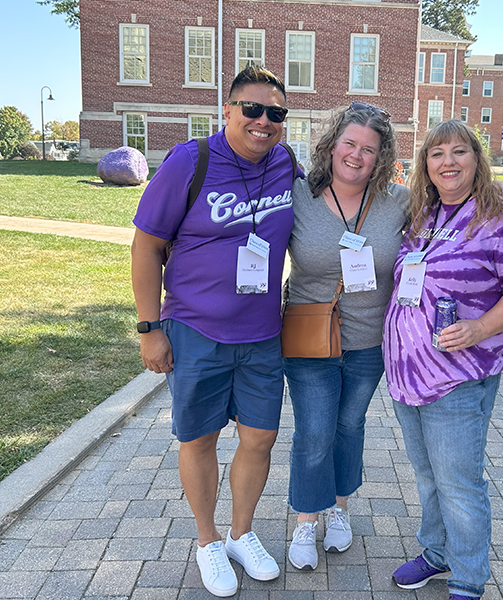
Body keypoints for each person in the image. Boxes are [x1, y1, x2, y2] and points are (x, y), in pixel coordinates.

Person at [130, 65, 299, 598]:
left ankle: (241, 533)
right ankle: (207, 541)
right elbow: (146, 246)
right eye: (252, 109)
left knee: (261, 437)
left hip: (262, 333)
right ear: (227, 111)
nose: (263, 121)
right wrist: (149, 328)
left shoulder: (286, 164)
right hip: (195, 330)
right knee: (199, 437)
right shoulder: (191, 160)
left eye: (276, 113)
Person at [383, 119, 503, 600]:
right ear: (426, 165)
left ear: (476, 159)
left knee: (459, 483)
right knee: (427, 476)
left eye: (458, 152)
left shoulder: (500, 216)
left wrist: (482, 327)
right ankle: (437, 553)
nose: (448, 162)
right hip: (407, 375)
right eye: (437, 154)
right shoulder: (425, 215)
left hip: (458, 377)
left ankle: (467, 576)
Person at [284, 102, 409, 570]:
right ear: (331, 145)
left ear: (381, 157)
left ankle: (339, 508)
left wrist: (493, 192)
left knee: (349, 426)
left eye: (369, 150)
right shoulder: (298, 195)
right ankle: (304, 520)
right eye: (349, 144)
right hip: (307, 335)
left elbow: (452, 210)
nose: (356, 156)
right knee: (314, 431)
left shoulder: (399, 201)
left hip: (369, 342)